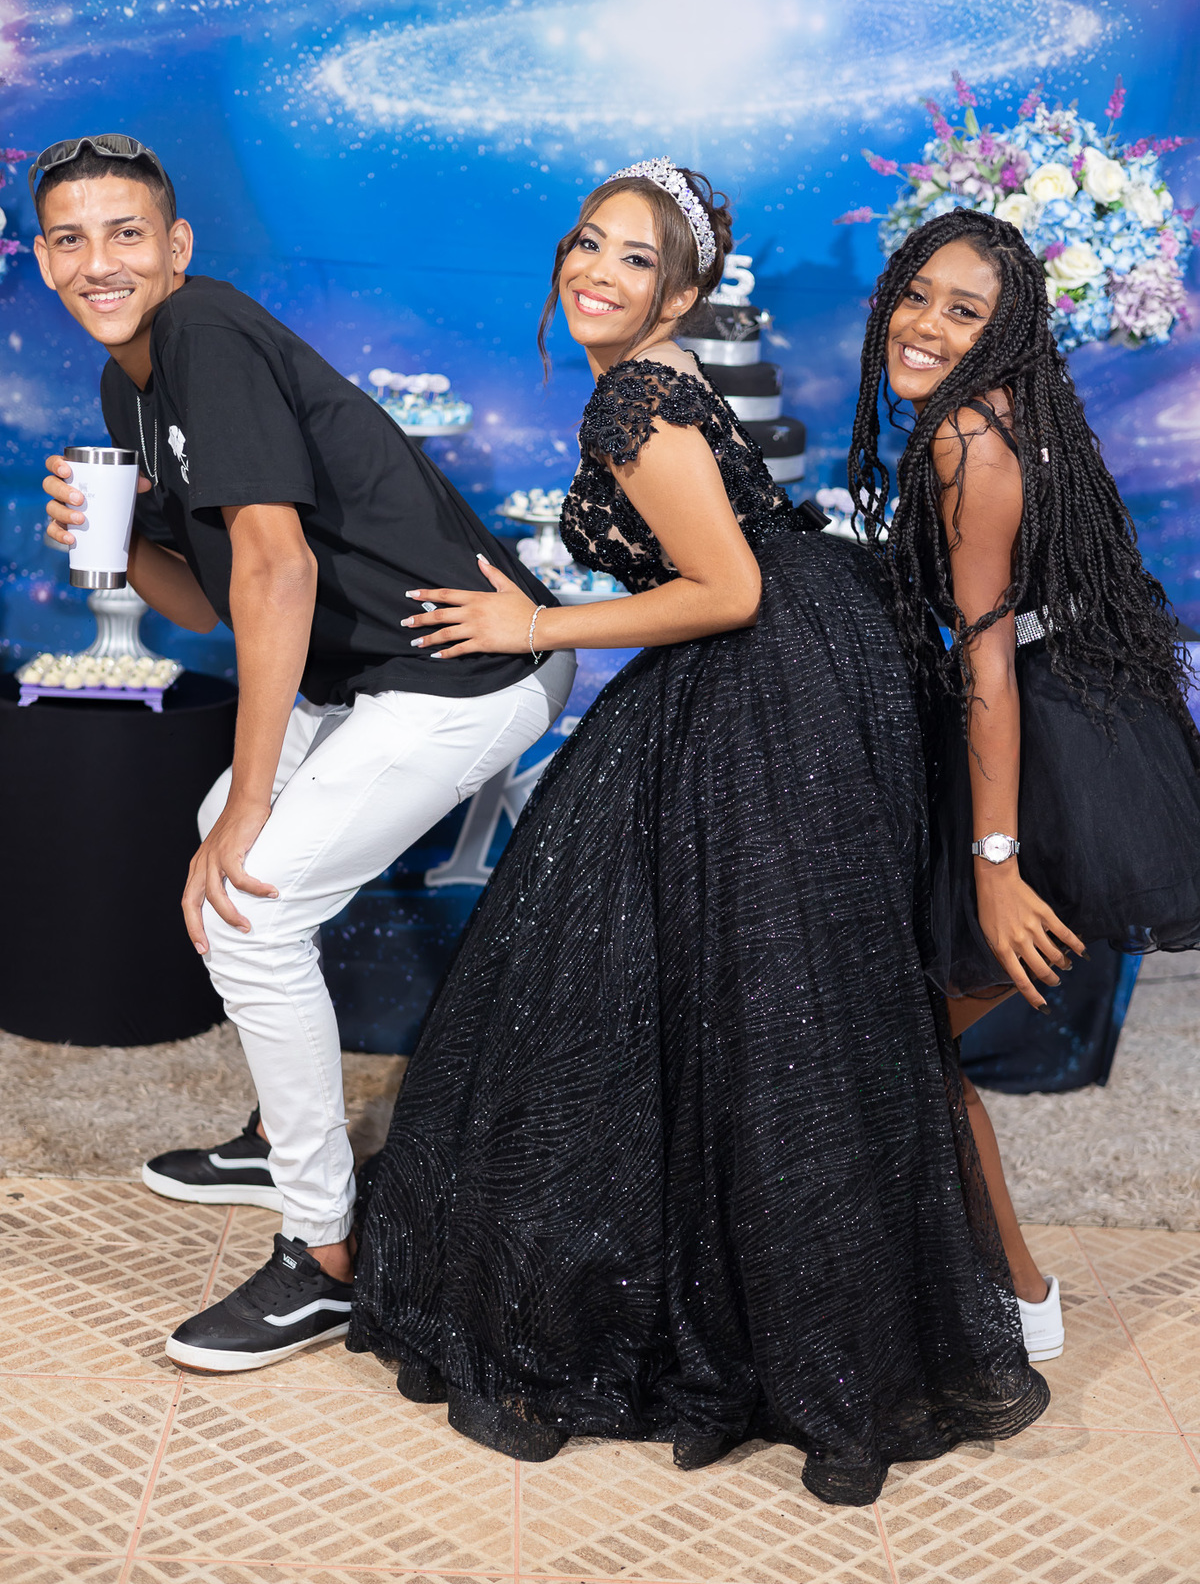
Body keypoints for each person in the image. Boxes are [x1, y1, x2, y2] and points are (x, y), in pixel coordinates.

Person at [347, 157, 1049, 1508]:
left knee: (714, 1002)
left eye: (636, 258)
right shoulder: (661, 377)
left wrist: (532, 623)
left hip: (768, 672)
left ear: (681, 293)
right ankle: (807, 1317)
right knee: (756, 1004)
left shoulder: (633, 395)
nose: (597, 272)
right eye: (587, 244)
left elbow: (725, 589)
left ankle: (781, 1330)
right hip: (807, 656)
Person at [34, 134, 573, 1372]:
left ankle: (322, 1254)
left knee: (248, 897)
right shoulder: (131, 385)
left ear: (176, 247)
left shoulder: (205, 332)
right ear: (45, 259)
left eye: (127, 233)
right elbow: (206, 601)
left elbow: (278, 571)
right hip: (373, 676)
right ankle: (289, 1133)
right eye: (70, 238)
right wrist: (116, 549)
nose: (99, 260)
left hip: (466, 670)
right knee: (226, 847)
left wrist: (252, 809)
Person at [848, 206, 1200, 1362]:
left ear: (1003, 335)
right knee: (912, 1040)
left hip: (1047, 761)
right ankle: (986, 1286)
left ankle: (1014, 1297)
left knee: (906, 1037)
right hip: (1080, 730)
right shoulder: (1005, 413)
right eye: (917, 294)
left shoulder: (968, 437)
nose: (925, 324)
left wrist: (996, 866)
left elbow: (990, 667)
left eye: (964, 311)